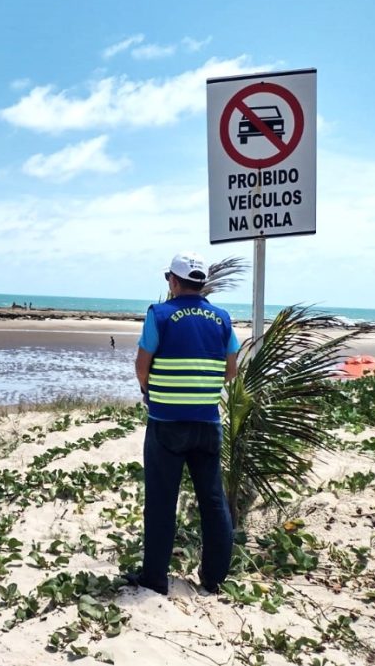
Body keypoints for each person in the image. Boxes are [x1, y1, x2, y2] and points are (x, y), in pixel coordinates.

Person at [125, 251, 240, 596]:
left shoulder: (159, 314)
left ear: (173, 282)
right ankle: (215, 577)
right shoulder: (221, 318)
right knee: (213, 500)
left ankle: (155, 578)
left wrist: (148, 390)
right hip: (207, 422)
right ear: (202, 284)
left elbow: (142, 364)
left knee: (161, 499)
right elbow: (231, 369)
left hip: (166, 422)